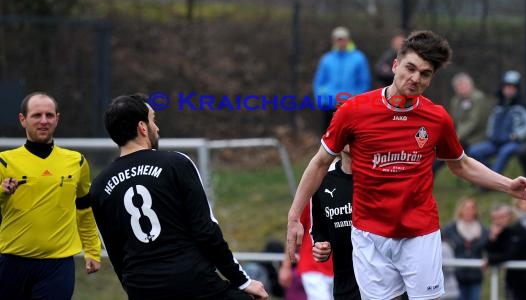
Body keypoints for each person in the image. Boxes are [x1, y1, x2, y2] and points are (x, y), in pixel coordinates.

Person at [287, 30, 526, 300]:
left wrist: (508, 185)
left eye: (425, 73)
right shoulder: (354, 111)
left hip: (419, 233)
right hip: (369, 234)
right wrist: (294, 217)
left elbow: (461, 164)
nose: (415, 78)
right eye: (410, 68)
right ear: (395, 65)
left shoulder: (436, 118)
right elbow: (320, 162)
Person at [90, 94, 268, 300]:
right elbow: (206, 231)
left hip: (141, 288)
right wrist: (242, 281)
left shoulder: (99, 185)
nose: (157, 128)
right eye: (153, 119)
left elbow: (114, 252)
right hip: (192, 281)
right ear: (142, 127)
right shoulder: (176, 163)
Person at [0, 92, 101, 300]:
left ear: (57, 118)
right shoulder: (4, 162)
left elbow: (84, 210)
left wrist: (92, 250)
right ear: (23, 120)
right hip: (11, 263)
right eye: (37, 115)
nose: (44, 121)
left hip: (58, 266)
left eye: (49, 115)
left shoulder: (77, 161)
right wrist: (2, 191)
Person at [310, 145, 361, 300]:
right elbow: (318, 232)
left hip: (382, 280)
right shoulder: (322, 181)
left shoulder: (379, 178)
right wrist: (320, 246)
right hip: (344, 284)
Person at [466, 70, 526, 175]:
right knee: (474, 151)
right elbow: (491, 123)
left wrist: (518, 135)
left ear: (517, 89)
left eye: (512, 88)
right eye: (506, 87)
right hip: (494, 142)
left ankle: (490, 181)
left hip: (513, 143)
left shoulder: (523, 106)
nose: (509, 90)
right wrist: (490, 134)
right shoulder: (498, 106)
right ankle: (490, 176)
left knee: (504, 152)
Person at [485, 204, 526, 300]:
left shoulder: (518, 231)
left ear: (510, 216)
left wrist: (490, 260)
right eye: (495, 218)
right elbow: (491, 250)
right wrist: (492, 238)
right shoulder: (501, 232)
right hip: (518, 282)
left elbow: (510, 254)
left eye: (502, 217)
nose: (499, 221)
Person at [313, 26, 371, 133]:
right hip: (329, 105)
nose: (340, 42)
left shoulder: (359, 58)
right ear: (333, 40)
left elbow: (364, 82)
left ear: (348, 40)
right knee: (327, 137)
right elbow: (319, 82)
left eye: (343, 39)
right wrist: (321, 99)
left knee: (348, 137)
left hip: (350, 106)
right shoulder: (326, 59)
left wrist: (356, 99)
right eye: (338, 39)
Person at [434, 72, 491, 174]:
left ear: (471, 85)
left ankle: (488, 176)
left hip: (477, 137)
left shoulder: (478, 98)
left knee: (452, 149)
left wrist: (457, 136)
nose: (462, 88)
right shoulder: (455, 101)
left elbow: (475, 122)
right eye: (458, 86)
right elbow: (454, 121)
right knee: (442, 149)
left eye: (464, 85)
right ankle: (429, 175)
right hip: (462, 137)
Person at [441, 197, 488, 300]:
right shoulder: (450, 230)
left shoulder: (484, 231)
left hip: (475, 276)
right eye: (466, 208)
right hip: (456, 277)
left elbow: (489, 248)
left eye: (471, 208)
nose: (469, 211)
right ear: (460, 210)